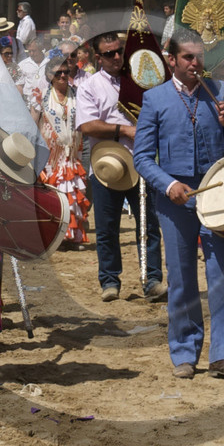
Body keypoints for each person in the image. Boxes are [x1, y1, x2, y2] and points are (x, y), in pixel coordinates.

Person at [133, 28, 224, 380]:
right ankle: (184, 350)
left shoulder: (221, 93)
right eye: (188, 57)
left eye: (200, 57)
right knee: (181, 276)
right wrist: (168, 185)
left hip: (216, 194)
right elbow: (141, 158)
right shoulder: (154, 99)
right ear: (171, 61)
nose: (196, 63)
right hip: (175, 199)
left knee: (223, 272)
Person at [76, 31, 165, 302]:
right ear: (97, 57)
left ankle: (152, 279)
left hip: (142, 162)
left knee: (148, 224)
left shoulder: (139, 79)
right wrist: (124, 130)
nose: (117, 57)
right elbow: (87, 125)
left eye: (119, 51)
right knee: (106, 227)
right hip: (108, 165)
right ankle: (110, 280)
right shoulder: (89, 86)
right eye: (110, 54)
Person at [37, 58, 90, 246]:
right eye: (58, 73)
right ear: (50, 76)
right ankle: (54, 238)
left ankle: (72, 236)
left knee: (72, 193)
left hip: (73, 154)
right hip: (50, 158)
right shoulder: (41, 96)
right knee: (53, 196)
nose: (62, 76)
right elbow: (32, 124)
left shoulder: (79, 95)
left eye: (66, 72)